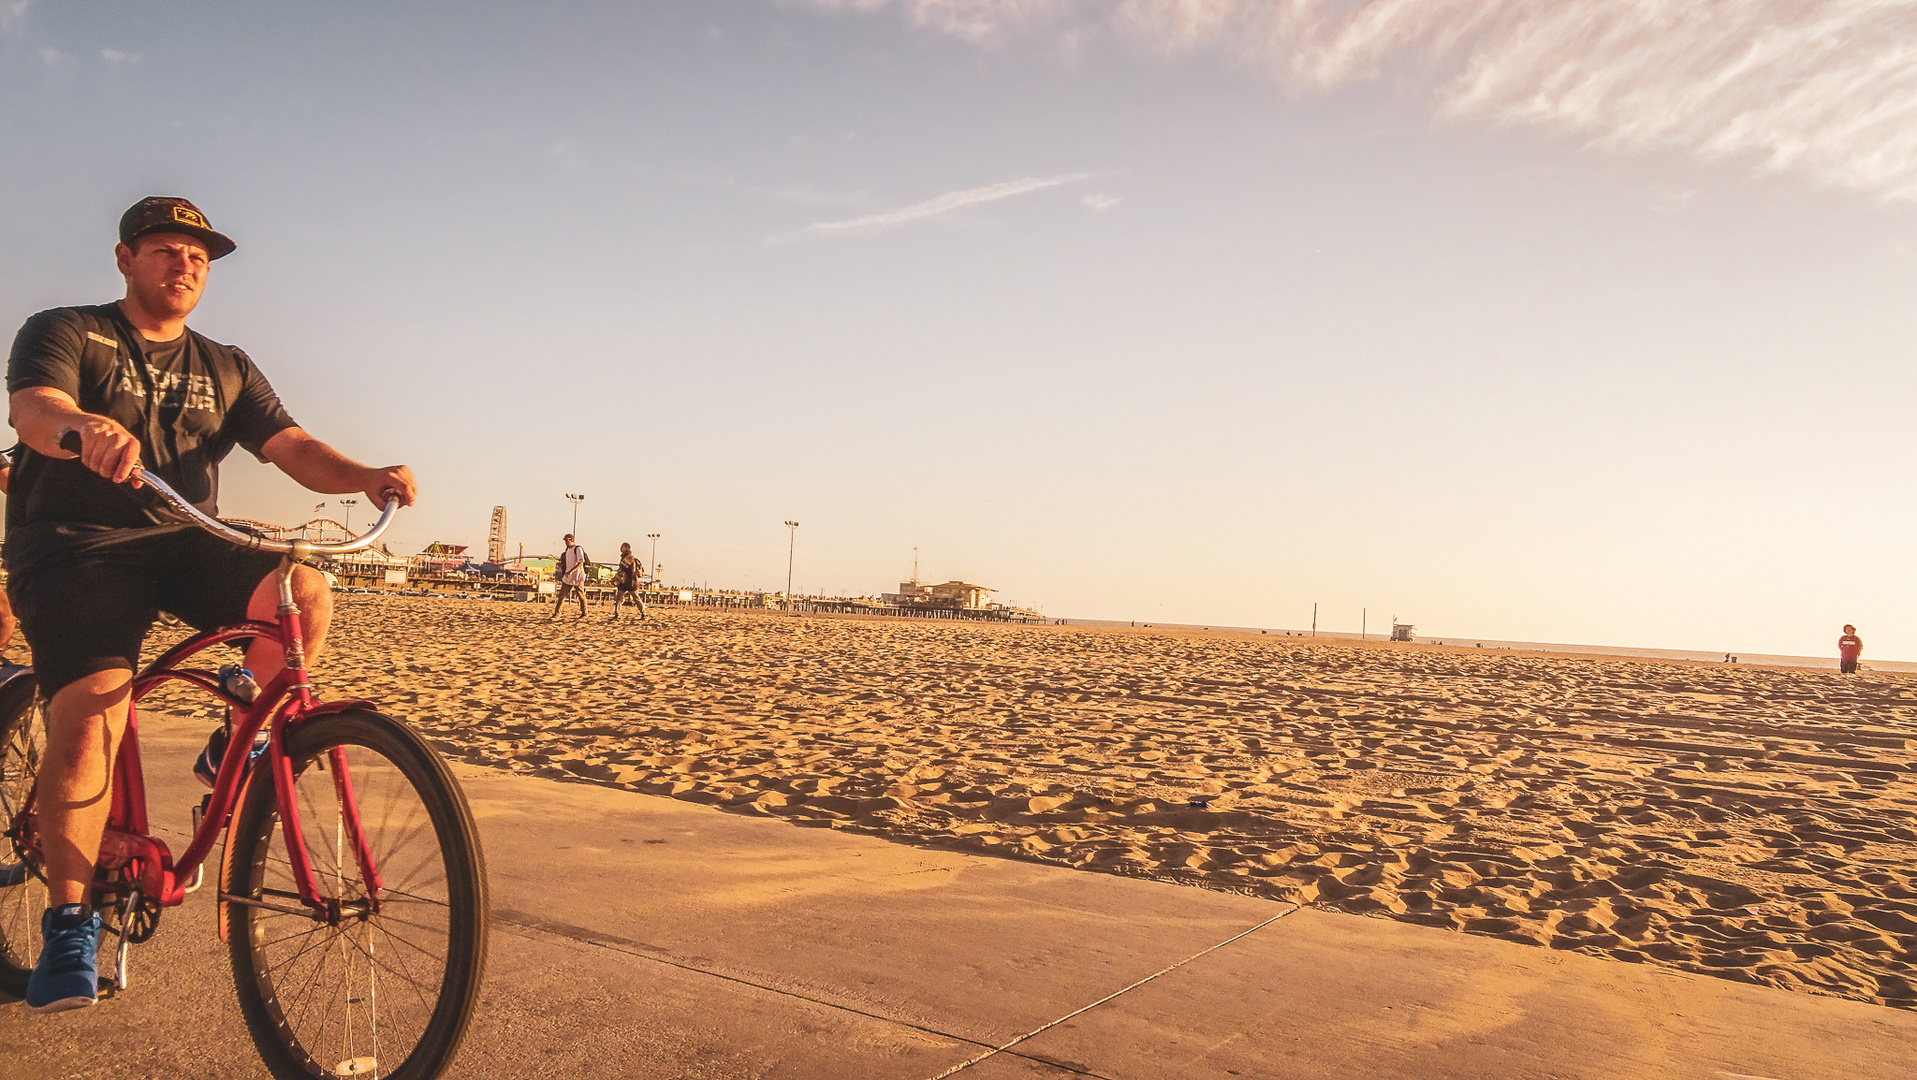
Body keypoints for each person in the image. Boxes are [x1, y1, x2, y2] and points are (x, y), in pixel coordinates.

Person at [5, 196, 417, 1013]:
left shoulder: (225, 363)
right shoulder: (66, 330)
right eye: (165, 250)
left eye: (198, 257)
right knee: (92, 716)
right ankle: (70, 923)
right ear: (125, 258)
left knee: (302, 588)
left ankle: (235, 734)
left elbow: (292, 448)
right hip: (75, 542)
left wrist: (364, 474)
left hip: (182, 536)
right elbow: (34, 407)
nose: (185, 265)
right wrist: (83, 427)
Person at [548, 533, 589, 619]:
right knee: (562, 596)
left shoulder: (578, 549)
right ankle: (557, 614)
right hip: (568, 576)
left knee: (581, 595)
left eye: (567, 540)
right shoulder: (567, 550)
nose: (566, 543)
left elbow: (581, 563)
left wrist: (571, 571)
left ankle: (585, 613)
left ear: (571, 540)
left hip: (577, 576)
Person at [609, 541, 648, 620]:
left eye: (622, 547)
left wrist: (616, 578)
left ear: (626, 548)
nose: (620, 548)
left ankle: (643, 614)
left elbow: (623, 569)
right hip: (628, 582)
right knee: (621, 598)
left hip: (630, 581)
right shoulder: (626, 557)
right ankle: (618, 614)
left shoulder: (628, 558)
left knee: (628, 598)